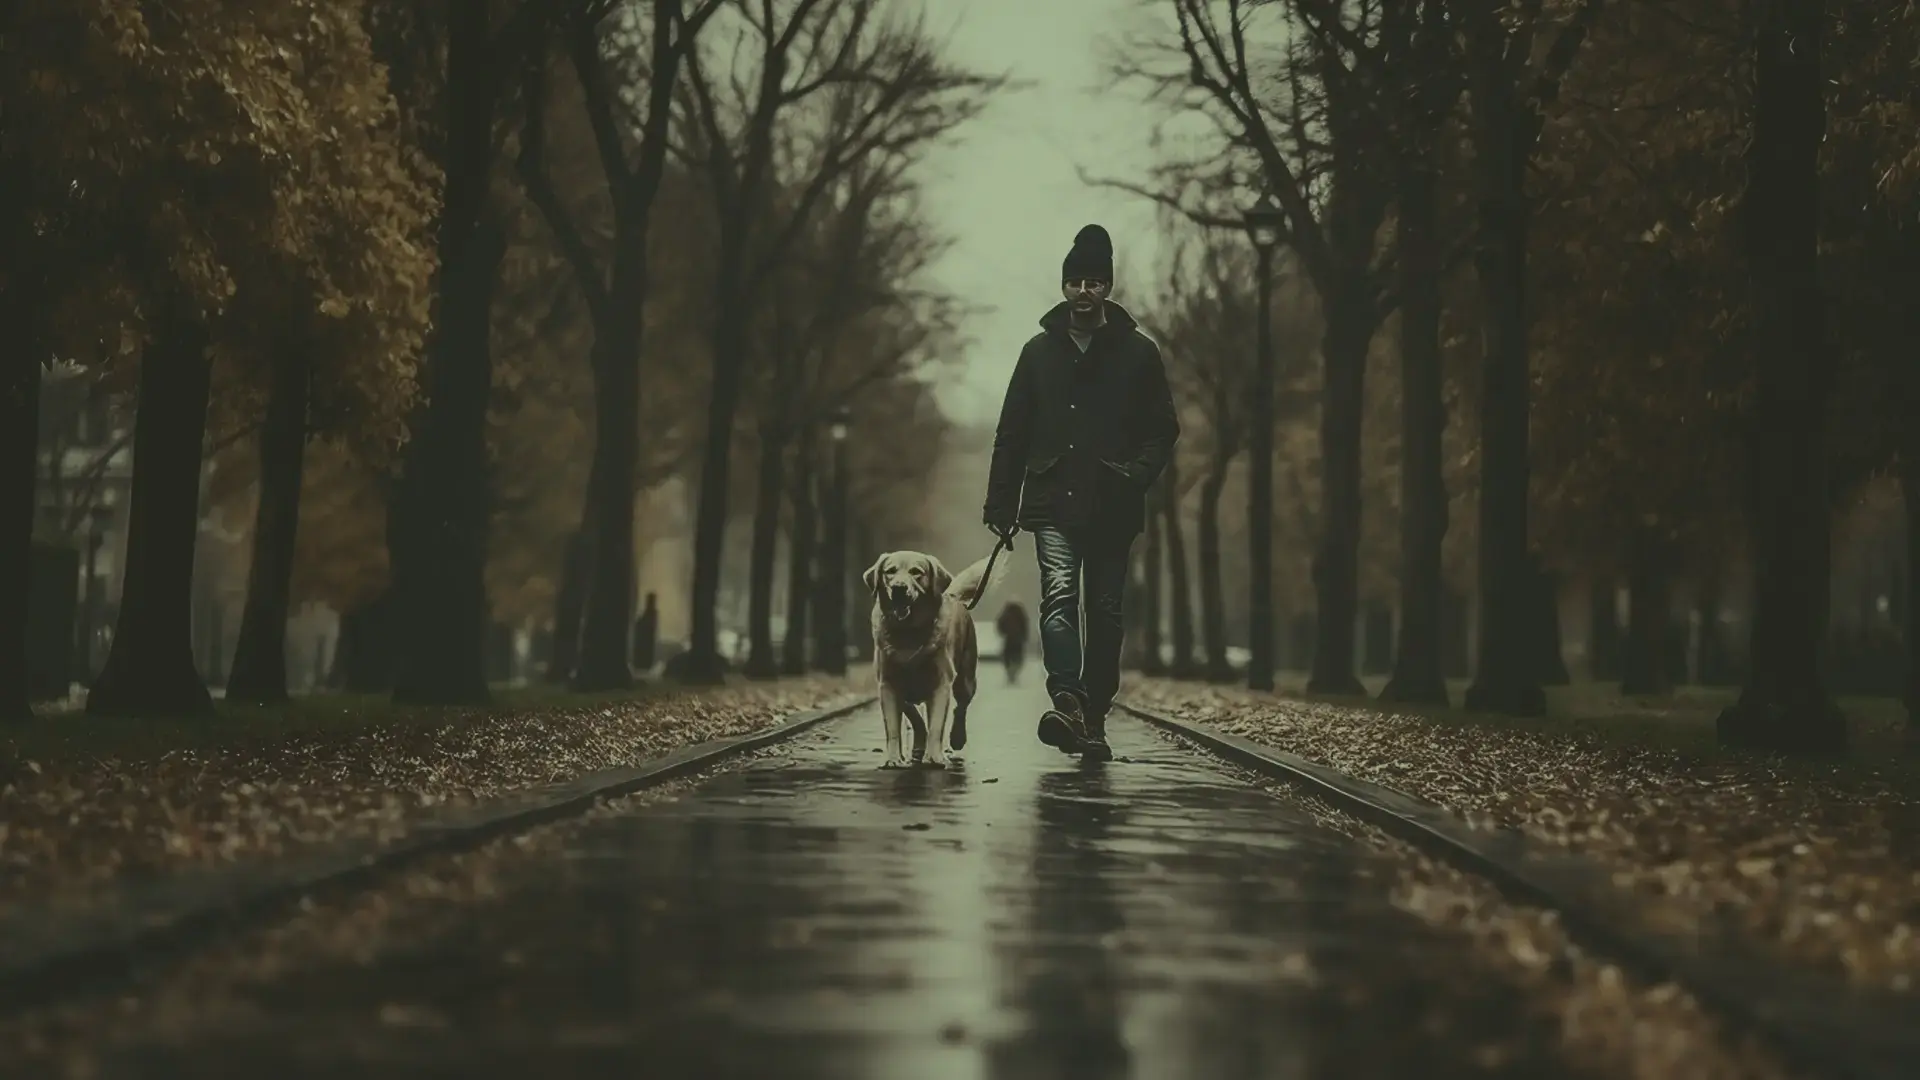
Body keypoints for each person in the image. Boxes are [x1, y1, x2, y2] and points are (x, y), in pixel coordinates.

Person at [981, 224, 1180, 762]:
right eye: (1075, 281)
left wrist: (1137, 472)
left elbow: (1163, 429)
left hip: (1114, 502)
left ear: (1108, 287)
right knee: (1059, 597)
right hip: (1050, 499)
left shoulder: (1140, 354)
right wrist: (1000, 503)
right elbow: (1011, 432)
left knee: (1107, 610)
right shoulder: (1037, 353)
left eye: (1095, 281)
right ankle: (1066, 698)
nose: (1084, 291)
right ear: (1064, 286)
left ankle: (1094, 716)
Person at [996, 601, 1030, 685]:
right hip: (1017, 639)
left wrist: (1003, 632)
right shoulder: (1020, 614)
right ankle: (1013, 673)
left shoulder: (1006, 613)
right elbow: (1025, 626)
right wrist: (1024, 636)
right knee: (1017, 658)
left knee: (1008, 657)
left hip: (1009, 639)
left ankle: (1011, 674)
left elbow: (1000, 624)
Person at [631, 592, 659, 672]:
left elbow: (644, 625)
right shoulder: (651, 613)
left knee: (644, 658)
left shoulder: (651, 613)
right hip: (646, 643)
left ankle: (643, 665)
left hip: (646, 642)